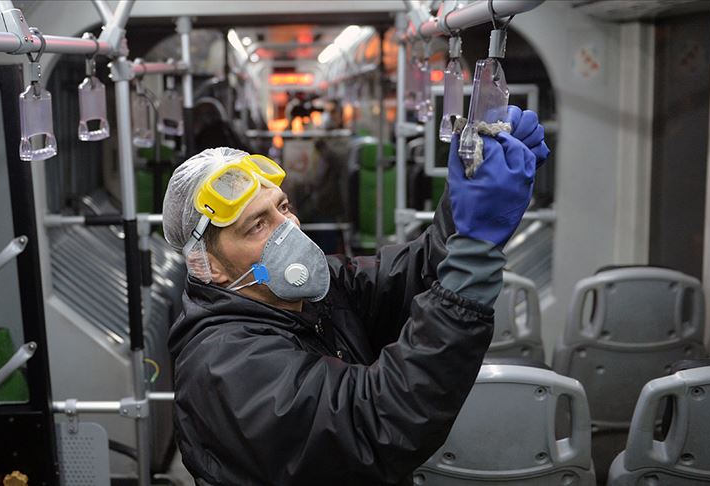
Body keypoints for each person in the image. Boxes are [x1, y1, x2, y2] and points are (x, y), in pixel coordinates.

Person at [161, 106, 550, 485]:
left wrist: (467, 200)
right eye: (257, 226)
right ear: (208, 265)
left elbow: (409, 275)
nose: (289, 229)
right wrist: (472, 258)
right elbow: (374, 422)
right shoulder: (225, 367)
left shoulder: (308, 293)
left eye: (283, 207)